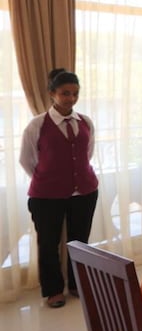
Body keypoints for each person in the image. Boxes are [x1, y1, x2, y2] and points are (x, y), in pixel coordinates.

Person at [19, 69, 100, 308]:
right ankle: (53, 290)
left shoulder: (85, 122)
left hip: (84, 192)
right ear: (52, 93)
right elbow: (27, 160)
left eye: (75, 93)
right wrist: (50, 178)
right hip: (46, 196)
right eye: (65, 93)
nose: (71, 98)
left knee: (80, 241)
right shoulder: (37, 125)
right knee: (48, 243)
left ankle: (77, 284)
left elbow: (87, 154)